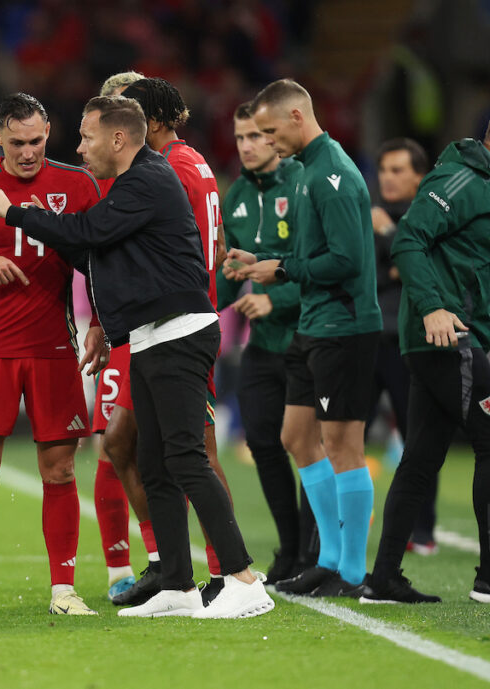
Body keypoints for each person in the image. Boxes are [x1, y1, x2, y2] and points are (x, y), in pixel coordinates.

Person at [0, 95, 273, 619]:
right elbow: (92, 251)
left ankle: (243, 578)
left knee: (185, 457)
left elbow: (88, 234)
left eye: (87, 137)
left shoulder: (148, 178)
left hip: (180, 334)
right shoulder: (135, 184)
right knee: (155, 463)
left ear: (118, 139)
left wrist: (16, 213)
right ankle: (179, 586)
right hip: (151, 337)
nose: (79, 147)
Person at [0, 93, 108, 617]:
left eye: (36, 141)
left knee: (59, 472)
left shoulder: (77, 185)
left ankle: (64, 591)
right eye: (17, 143)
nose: (28, 152)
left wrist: (98, 320)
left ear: (48, 132)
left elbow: (100, 260)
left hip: (55, 348)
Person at [360, 103, 490, 604]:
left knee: (420, 458)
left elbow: (444, 248)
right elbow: (410, 238)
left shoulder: (487, 186)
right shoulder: (460, 179)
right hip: (446, 335)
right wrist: (435, 305)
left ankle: (384, 578)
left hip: (443, 332)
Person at [226, 78, 382, 597]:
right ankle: (327, 557)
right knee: (295, 437)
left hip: (344, 326)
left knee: (342, 445)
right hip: (313, 327)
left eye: (270, 131)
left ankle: (350, 572)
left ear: (297, 117)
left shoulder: (332, 172)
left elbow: (348, 260)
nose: (267, 142)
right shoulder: (309, 171)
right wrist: (263, 264)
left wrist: (282, 272)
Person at [105, 77, 233, 607]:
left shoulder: (166, 170)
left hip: (177, 325)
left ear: (150, 121)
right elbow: (220, 246)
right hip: (171, 319)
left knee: (192, 451)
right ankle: (169, 566)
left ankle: (230, 572)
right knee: (131, 445)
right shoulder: (194, 163)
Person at [216, 103, 317, 584]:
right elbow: (228, 279)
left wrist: (276, 301)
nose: (247, 146)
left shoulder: (304, 183)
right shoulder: (235, 197)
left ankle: (315, 554)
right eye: (239, 138)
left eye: (256, 136)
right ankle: (291, 547)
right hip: (264, 345)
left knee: (310, 447)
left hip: (310, 337)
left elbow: (328, 265)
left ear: (275, 135)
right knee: (261, 440)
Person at [90, 70, 144, 602]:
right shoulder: (95, 174)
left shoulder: (160, 171)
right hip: (117, 332)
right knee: (112, 445)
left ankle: (194, 562)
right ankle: (118, 568)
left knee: (176, 450)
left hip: (163, 327)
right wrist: (95, 322)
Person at [369, 138, 437, 554]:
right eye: (384, 170)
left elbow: (416, 268)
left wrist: (390, 236)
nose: (388, 178)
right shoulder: (367, 215)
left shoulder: (428, 216)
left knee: (418, 437)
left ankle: (424, 531)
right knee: (343, 435)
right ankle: (332, 529)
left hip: (408, 342)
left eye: (399, 170)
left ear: (420, 176)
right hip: (364, 338)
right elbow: (374, 273)